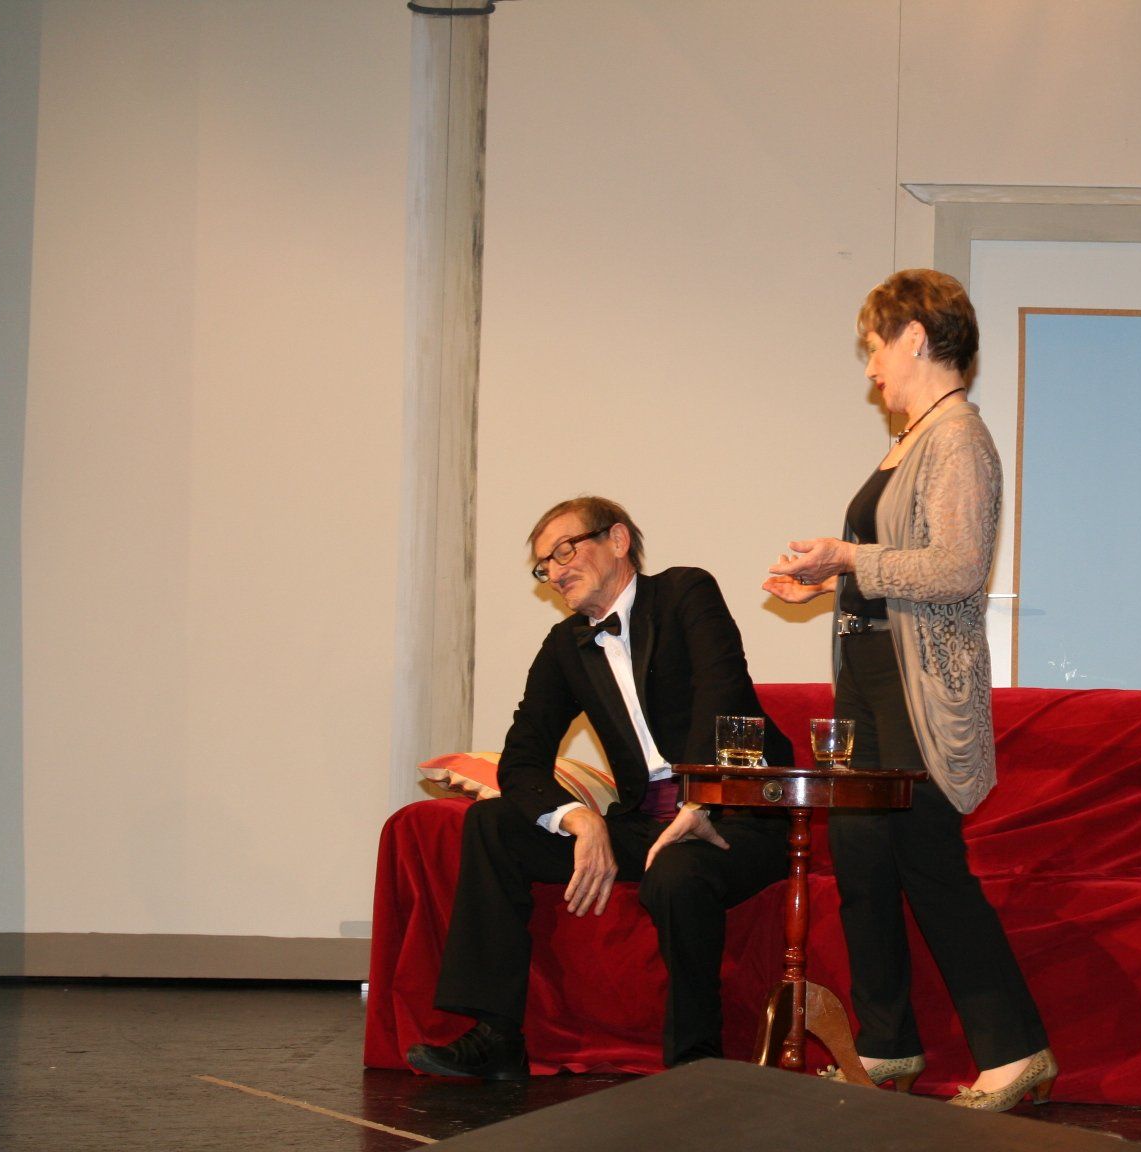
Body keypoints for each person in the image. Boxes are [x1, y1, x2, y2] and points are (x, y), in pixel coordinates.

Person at [763, 270, 1055, 1112]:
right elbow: (907, 566)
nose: (870, 368)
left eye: (875, 347)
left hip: (916, 691)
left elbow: (958, 568)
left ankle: (1015, 1052)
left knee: (928, 863)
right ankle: (886, 1045)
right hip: (870, 677)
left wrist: (848, 558)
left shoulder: (958, 436)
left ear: (916, 337)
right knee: (862, 863)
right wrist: (831, 583)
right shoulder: (912, 438)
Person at [407, 496, 790, 1079]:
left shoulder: (685, 593)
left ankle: (696, 1062)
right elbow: (523, 758)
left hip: (734, 814)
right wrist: (578, 818)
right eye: (544, 565)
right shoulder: (566, 646)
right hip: (642, 821)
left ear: (617, 540)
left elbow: (725, 695)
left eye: (564, 551)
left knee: (677, 873)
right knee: (491, 824)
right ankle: (497, 1036)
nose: (555, 571)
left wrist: (701, 798)